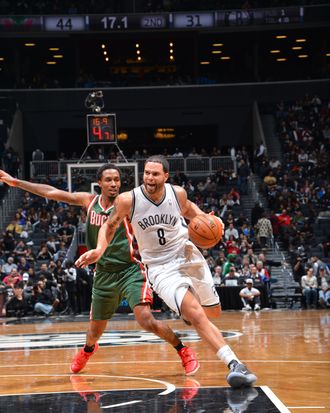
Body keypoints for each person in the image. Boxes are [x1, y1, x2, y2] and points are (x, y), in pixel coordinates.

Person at [76, 155, 257, 388]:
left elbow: (189, 208)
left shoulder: (177, 193)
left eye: (155, 174)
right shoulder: (128, 200)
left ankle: (186, 309)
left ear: (166, 176)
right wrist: (100, 249)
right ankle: (235, 364)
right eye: (146, 173)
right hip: (161, 268)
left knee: (213, 312)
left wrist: (206, 218)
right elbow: (108, 227)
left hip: (187, 253)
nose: (150, 178)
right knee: (196, 314)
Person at [0, 165, 198, 376]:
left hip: (129, 270)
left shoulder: (128, 204)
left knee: (146, 319)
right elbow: (52, 192)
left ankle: (183, 350)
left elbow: (164, 208)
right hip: (103, 274)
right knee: (93, 333)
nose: (114, 184)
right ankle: (88, 349)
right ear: (100, 183)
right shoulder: (89, 201)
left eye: (117, 180)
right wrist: (17, 183)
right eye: (109, 180)